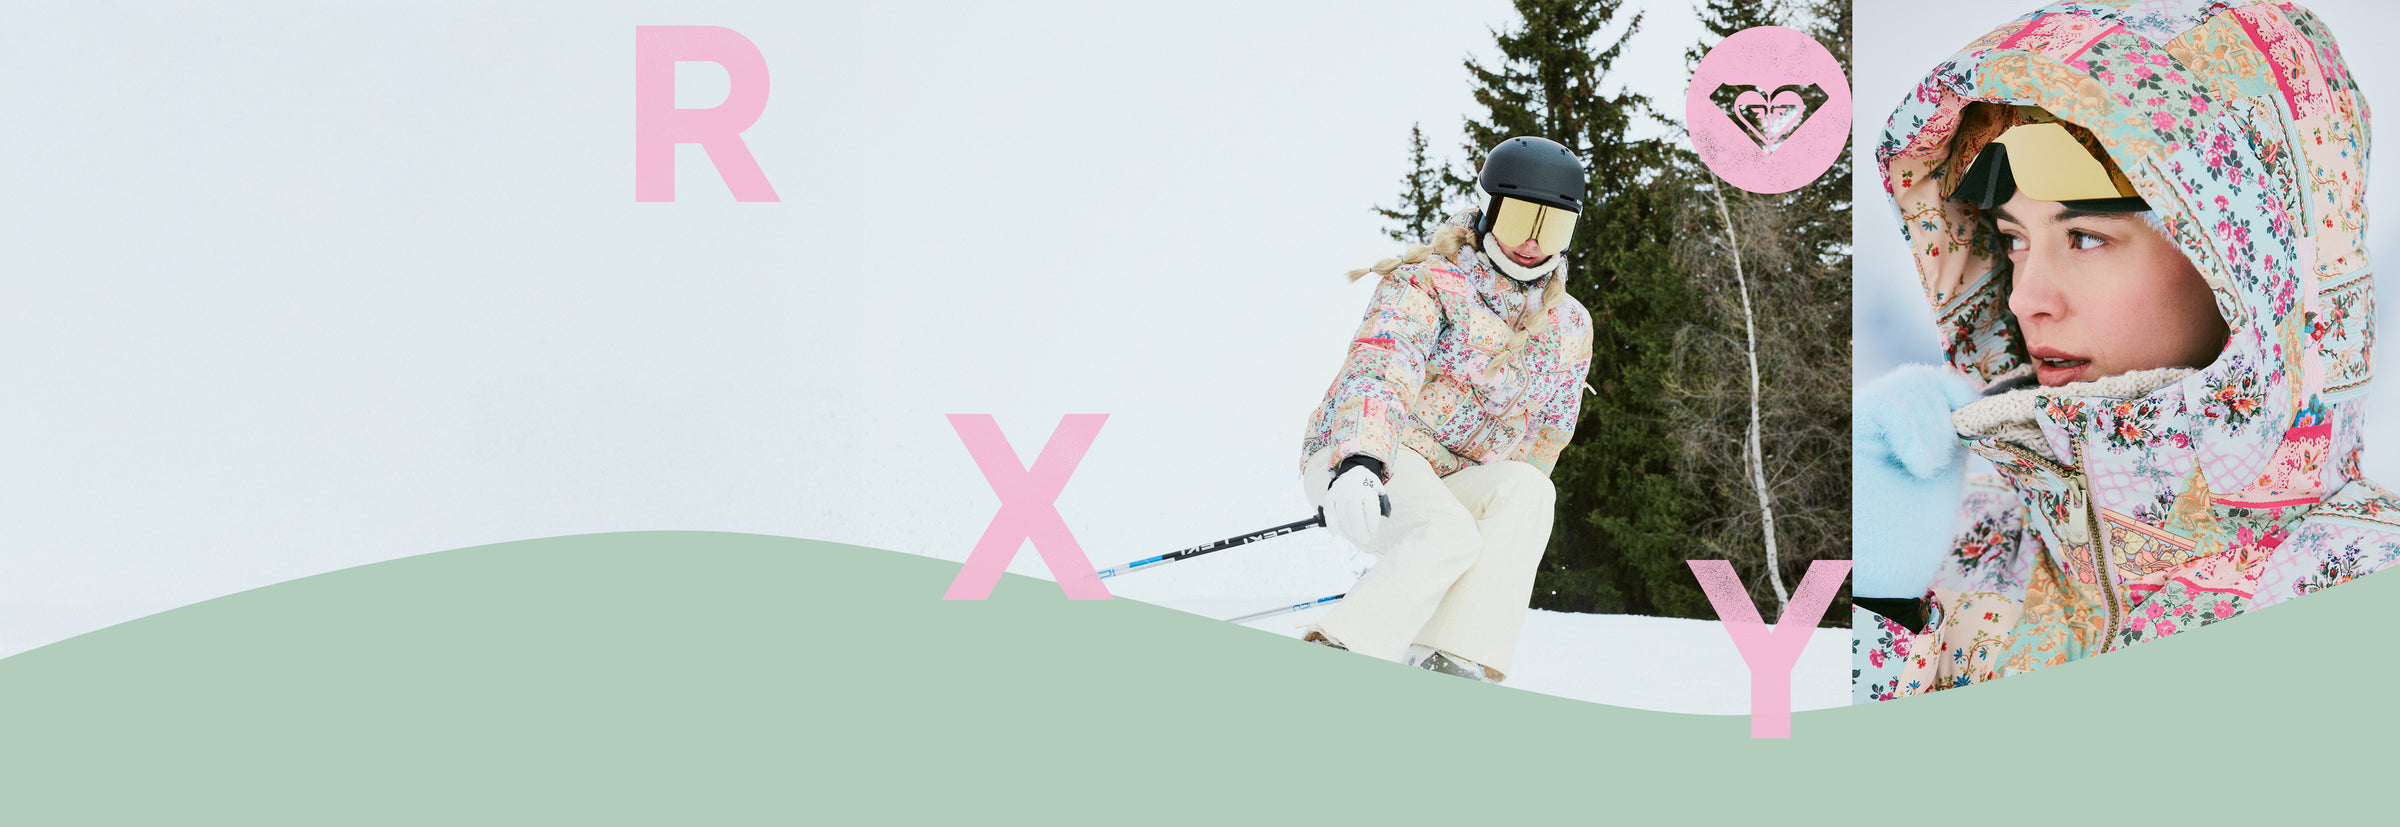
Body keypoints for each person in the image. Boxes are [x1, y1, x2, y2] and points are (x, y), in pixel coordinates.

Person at [1852, 0, 2399, 702]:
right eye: (2013, 239)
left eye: (2084, 238)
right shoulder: (1965, 536)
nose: (2024, 299)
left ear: (2247, 264)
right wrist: (1877, 602)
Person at [1295, 136, 1593, 684]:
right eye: (1519, 219)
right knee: (1447, 532)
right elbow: (1383, 367)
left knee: (1528, 491)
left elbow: (1546, 437)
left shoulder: (1568, 324)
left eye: (1551, 226)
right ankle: (1338, 656)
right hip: (1366, 459)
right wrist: (1358, 462)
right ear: (1487, 210)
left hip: (1456, 484)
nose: (1531, 241)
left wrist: (1499, 543)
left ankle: (1447, 661)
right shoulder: (1427, 282)